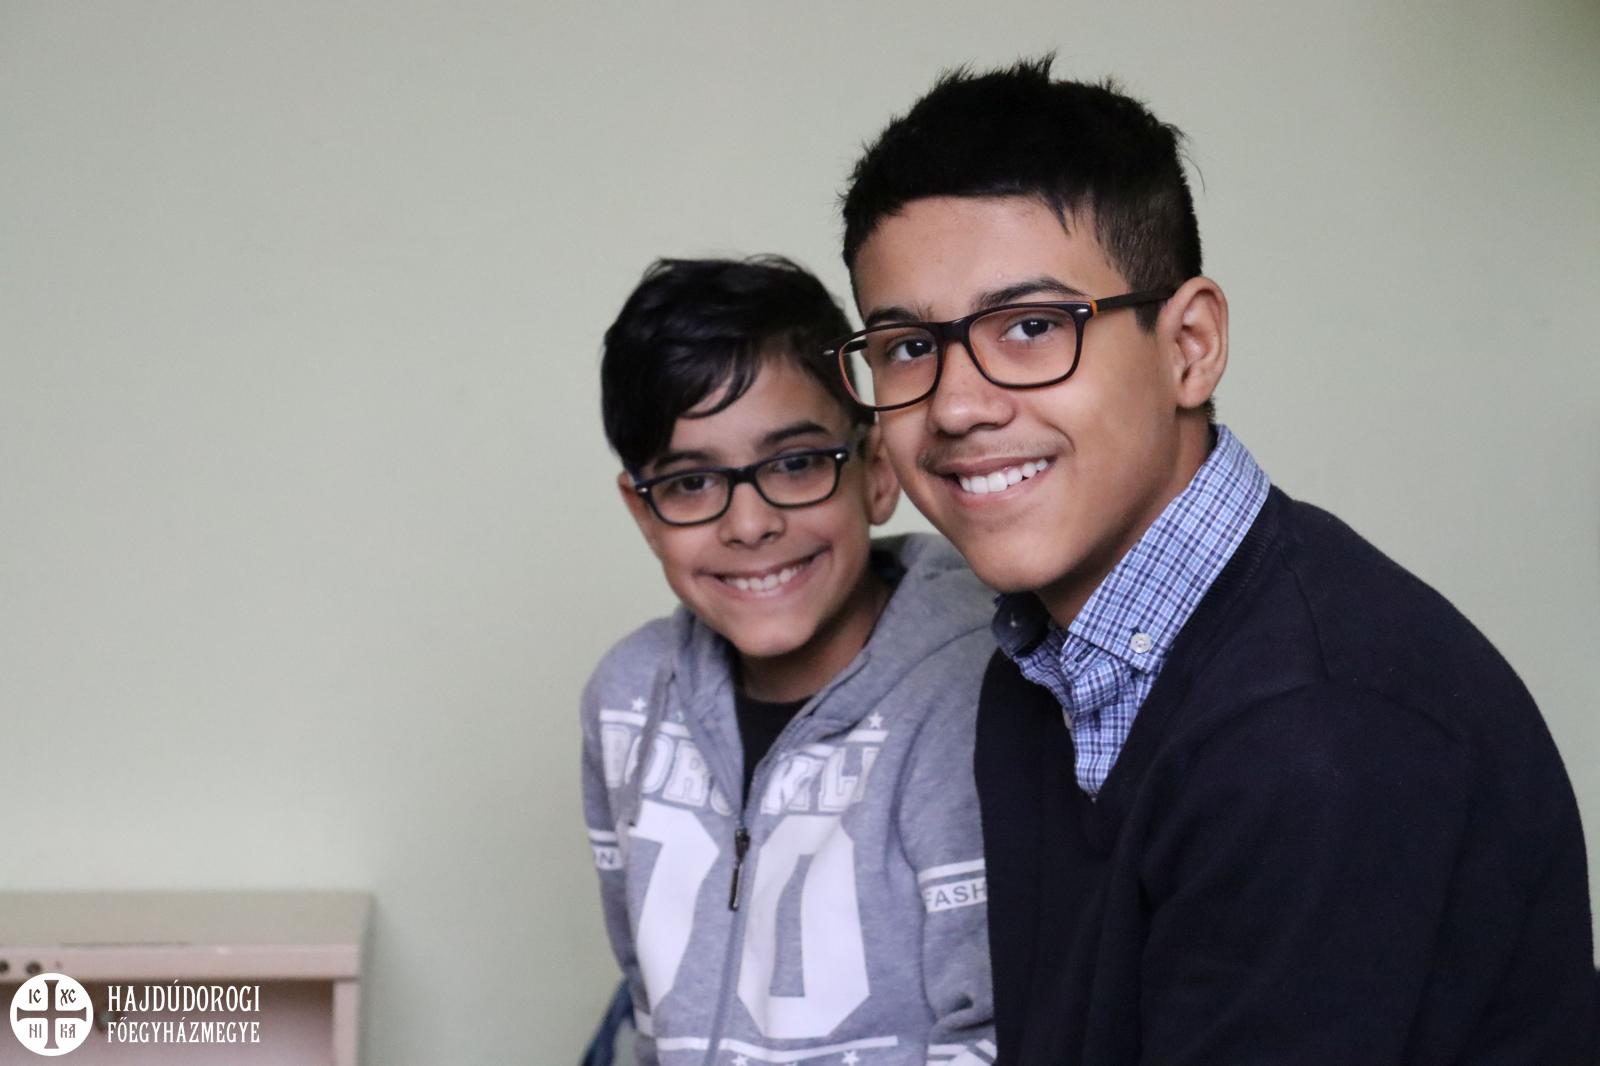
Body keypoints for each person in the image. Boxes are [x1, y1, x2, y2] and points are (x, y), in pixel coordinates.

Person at [832, 58, 1596, 1065]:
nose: (957, 404)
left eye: (1031, 328)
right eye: (904, 347)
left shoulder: (1317, 730)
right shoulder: (1036, 667)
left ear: (1189, 345)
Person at [581, 255, 998, 1066]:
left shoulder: (971, 695)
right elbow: (648, 1002)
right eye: (691, 482)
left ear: (876, 471)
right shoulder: (627, 700)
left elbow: (997, 1028)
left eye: (796, 463)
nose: (749, 524)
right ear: (643, 511)